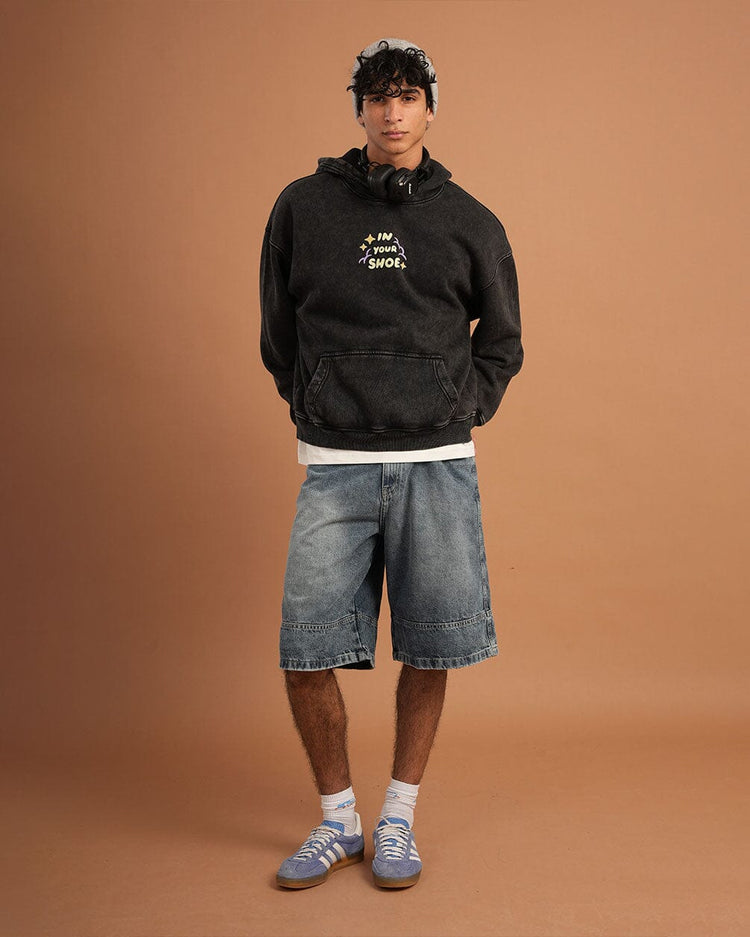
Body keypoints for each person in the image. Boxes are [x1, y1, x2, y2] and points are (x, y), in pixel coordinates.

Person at [260, 37, 523, 890]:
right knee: (306, 646)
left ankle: (398, 817)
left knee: (433, 643)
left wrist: (457, 407)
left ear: (430, 109)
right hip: (334, 463)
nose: (392, 112)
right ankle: (339, 820)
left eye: (407, 96)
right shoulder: (302, 208)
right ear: (359, 110)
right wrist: (316, 400)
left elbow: (504, 342)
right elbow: (277, 332)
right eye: (378, 97)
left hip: (437, 462)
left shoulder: (471, 221)